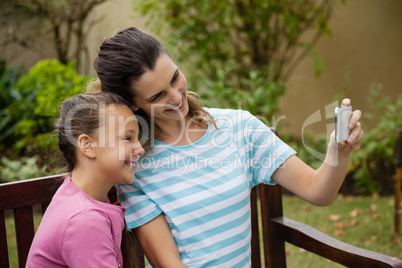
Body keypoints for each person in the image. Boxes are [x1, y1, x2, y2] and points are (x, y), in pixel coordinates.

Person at [91, 27, 364, 267]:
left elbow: (319, 191)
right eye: (158, 95)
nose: (176, 97)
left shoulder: (239, 128)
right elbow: (169, 264)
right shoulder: (135, 163)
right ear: (134, 103)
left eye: (175, 78)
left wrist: (338, 152)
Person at [26, 92, 184, 268]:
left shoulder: (83, 194)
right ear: (87, 145)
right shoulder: (84, 220)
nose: (139, 149)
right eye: (128, 138)